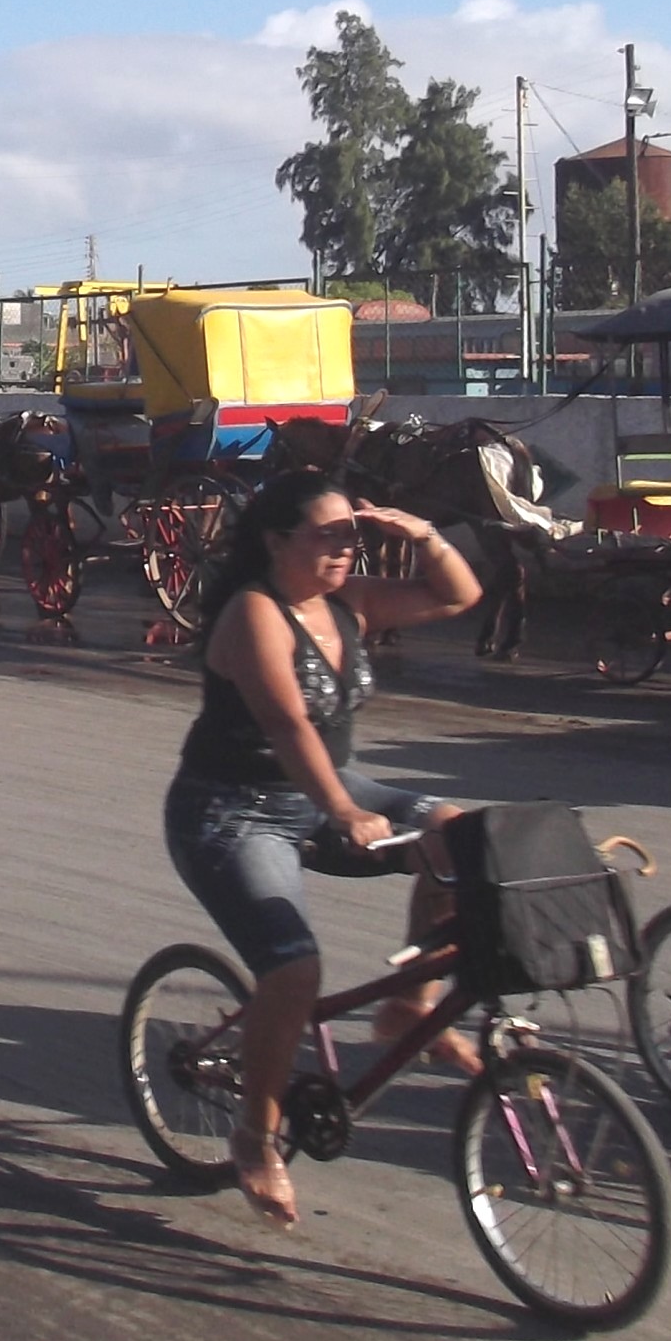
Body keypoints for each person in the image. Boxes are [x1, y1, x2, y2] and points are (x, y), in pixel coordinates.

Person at [164, 469, 483, 1228]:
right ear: (277, 541)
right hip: (232, 811)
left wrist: (422, 535)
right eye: (328, 535)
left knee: (459, 834)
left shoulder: (350, 602)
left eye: (353, 534)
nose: (345, 548)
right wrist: (340, 808)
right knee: (293, 968)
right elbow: (288, 728)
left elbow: (459, 596)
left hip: (323, 792)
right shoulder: (252, 613)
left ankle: (406, 1007)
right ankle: (253, 1136)